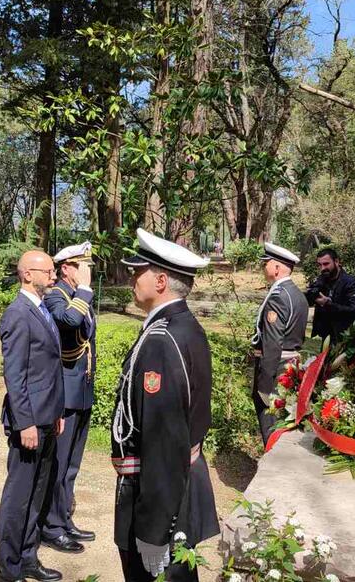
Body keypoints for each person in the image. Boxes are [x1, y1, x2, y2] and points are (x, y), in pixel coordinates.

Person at [114, 229, 218, 582]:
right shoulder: (183, 326)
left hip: (158, 495)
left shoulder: (162, 339)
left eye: (136, 271)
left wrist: (154, 530)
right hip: (176, 487)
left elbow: (163, 439)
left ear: (160, 280)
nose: (131, 278)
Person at [0, 250, 66, 582]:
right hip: (29, 425)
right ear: (27, 274)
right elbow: (16, 376)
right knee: (19, 498)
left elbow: (49, 369)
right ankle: (8, 570)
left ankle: (27, 558)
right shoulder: (17, 314)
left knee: (37, 495)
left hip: (47, 419)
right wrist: (25, 423)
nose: (54, 276)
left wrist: (55, 413)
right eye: (48, 271)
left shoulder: (40, 309)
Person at [41, 241, 97, 554]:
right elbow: (69, 323)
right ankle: (51, 527)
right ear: (67, 268)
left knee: (72, 466)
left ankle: (64, 519)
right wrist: (85, 291)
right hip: (64, 395)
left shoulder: (76, 295)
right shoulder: (55, 295)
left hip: (81, 391)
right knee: (59, 465)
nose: (88, 270)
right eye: (82, 265)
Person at [251, 243, 308, 451]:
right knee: (283, 420)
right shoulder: (296, 293)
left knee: (270, 421)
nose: (263, 268)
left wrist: (264, 383)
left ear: (276, 268)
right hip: (289, 364)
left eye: (266, 264)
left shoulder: (278, 297)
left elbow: (272, 343)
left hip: (276, 368)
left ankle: (269, 463)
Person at [305, 248, 355, 348]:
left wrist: (328, 304)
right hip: (326, 334)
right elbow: (310, 300)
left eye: (326, 264)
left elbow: (354, 310)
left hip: (345, 336)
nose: (322, 268)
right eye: (320, 265)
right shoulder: (322, 279)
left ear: (336, 261)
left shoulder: (350, 283)